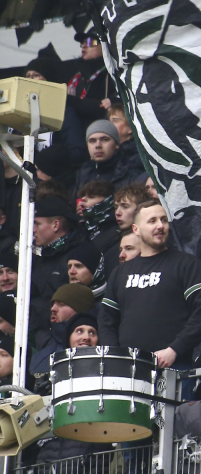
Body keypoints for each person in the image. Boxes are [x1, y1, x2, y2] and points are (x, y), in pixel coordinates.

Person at [99, 200, 201, 399]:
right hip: (128, 374)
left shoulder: (187, 264)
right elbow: (106, 321)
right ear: (136, 229)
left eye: (164, 220)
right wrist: (117, 358)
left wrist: (174, 350)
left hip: (175, 369)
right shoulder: (120, 273)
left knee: (172, 420)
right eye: (152, 221)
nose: (160, 226)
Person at [30, 196, 83, 347]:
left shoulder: (77, 257)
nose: (33, 229)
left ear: (56, 225)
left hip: (65, 338)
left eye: (37, 223)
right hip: (42, 337)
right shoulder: (39, 257)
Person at [74, 119, 145, 192]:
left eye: (105, 140)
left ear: (116, 144)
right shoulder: (83, 173)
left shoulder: (131, 172)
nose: (98, 145)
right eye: (92, 141)